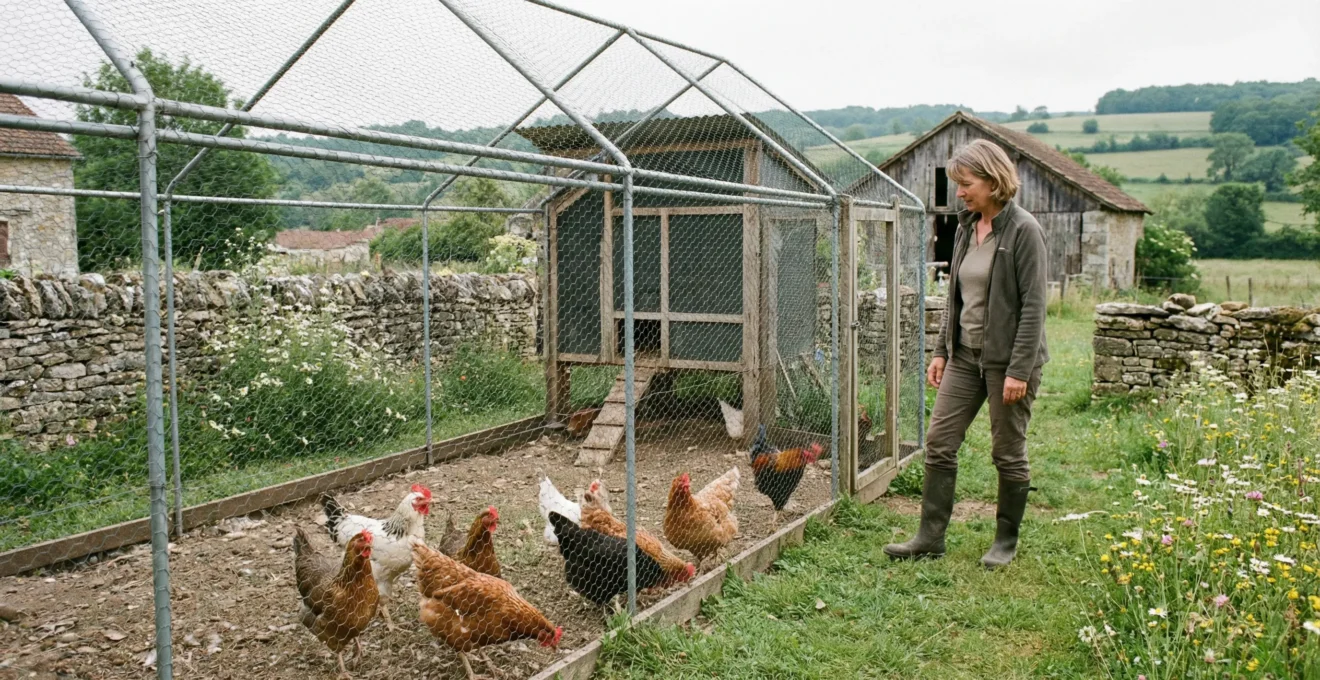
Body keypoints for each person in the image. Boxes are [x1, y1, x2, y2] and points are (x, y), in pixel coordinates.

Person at [883, 139, 1049, 569]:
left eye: (966, 183)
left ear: (994, 181)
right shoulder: (963, 228)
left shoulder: (1023, 230)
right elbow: (955, 297)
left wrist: (1019, 370)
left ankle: (1004, 542)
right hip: (964, 358)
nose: (959, 192)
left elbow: (1034, 307)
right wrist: (941, 349)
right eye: (958, 184)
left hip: (1007, 363)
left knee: (1007, 450)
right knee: (939, 442)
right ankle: (929, 537)